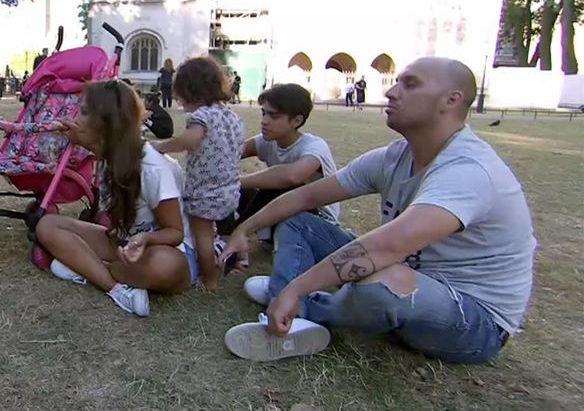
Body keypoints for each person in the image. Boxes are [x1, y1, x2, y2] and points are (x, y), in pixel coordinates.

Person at [219, 57, 535, 364]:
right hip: (405, 273)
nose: (391, 91)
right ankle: (284, 297)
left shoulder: (468, 169)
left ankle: (305, 308)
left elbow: (390, 245)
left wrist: (298, 288)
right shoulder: (393, 158)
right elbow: (305, 197)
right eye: (397, 81)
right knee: (301, 223)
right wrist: (243, 230)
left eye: (409, 84)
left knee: (383, 285)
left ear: (451, 100)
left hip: (475, 321)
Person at [35, 80, 198, 317]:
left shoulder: (152, 168)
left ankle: (87, 268)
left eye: (83, 111)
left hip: (170, 251)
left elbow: (175, 233)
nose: (76, 116)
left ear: (105, 123)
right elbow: (105, 151)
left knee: (165, 265)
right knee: (48, 225)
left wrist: (144, 239)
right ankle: (118, 289)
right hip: (125, 244)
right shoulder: (112, 154)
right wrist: (80, 140)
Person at [155, 57, 245, 291]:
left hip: (204, 192)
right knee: (228, 230)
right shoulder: (232, 116)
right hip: (231, 188)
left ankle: (210, 280)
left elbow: (190, 140)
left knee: (203, 237)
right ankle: (238, 261)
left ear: (189, 91)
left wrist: (161, 147)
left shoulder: (201, 116)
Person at [215, 83, 340, 252]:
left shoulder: (314, 146)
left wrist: (235, 181)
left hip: (316, 224)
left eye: (273, 116)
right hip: (279, 215)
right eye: (264, 113)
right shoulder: (266, 141)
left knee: (282, 187)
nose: (264, 121)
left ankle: (233, 235)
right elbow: (227, 156)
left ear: (297, 120)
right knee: (226, 186)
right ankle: (225, 235)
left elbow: (293, 176)